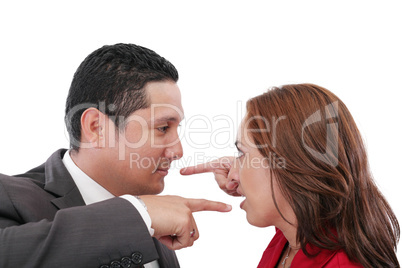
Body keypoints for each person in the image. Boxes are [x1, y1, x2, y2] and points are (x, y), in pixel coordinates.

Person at [0, 43, 232, 268]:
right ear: (96, 128)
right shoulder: (9, 197)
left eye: (176, 129)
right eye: (162, 128)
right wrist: (138, 215)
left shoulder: (152, 221)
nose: (179, 151)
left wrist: (262, 176)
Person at [181, 84, 400, 267]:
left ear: (291, 165)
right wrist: (250, 178)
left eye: (241, 153)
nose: (232, 175)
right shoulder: (292, 237)